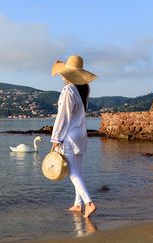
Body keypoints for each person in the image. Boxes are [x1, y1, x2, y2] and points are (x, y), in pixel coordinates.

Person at [50, 55, 97, 218]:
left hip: (70, 135)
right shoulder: (84, 88)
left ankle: (88, 203)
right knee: (78, 169)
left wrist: (56, 139)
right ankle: (78, 204)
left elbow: (63, 116)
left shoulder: (68, 90)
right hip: (81, 133)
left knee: (72, 172)